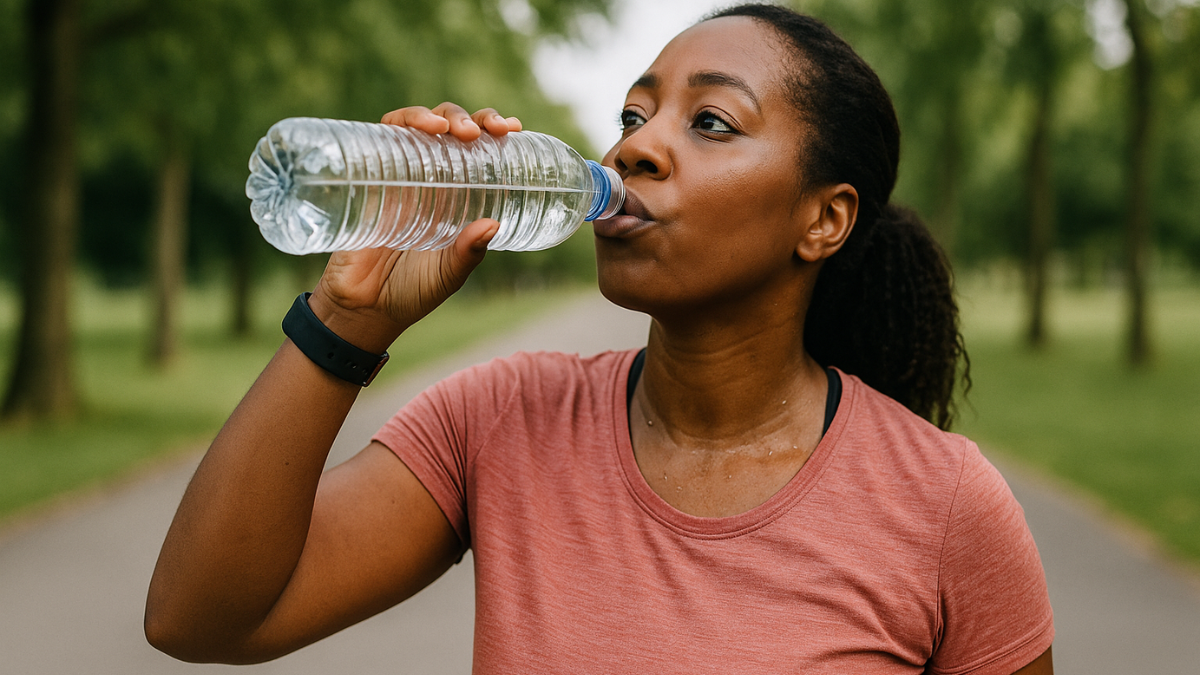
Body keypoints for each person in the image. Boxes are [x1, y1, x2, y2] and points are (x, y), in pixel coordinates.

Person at [145, 4, 1054, 673]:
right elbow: (201, 617)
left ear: (823, 219)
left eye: (710, 122)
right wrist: (351, 318)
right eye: (632, 116)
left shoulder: (945, 507)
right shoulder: (501, 419)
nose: (633, 149)